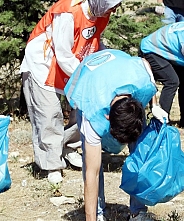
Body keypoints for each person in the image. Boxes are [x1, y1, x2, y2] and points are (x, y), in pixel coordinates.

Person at [20, 0, 122, 184]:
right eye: (112, 5)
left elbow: (94, 41)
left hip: (73, 64)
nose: (114, 10)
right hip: (44, 64)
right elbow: (63, 53)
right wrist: (88, 74)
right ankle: (51, 165)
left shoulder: (101, 13)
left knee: (82, 107)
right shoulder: (68, 12)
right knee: (49, 114)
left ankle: (69, 147)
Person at [64, 49, 165, 221]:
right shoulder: (91, 112)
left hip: (121, 66)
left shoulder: (141, 84)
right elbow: (92, 173)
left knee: (140, 149)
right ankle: (97, 212)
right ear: (108, 117)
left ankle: (138, 210)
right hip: (88, 76)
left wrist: (155, 105)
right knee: (91, 162)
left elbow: (145, 64)